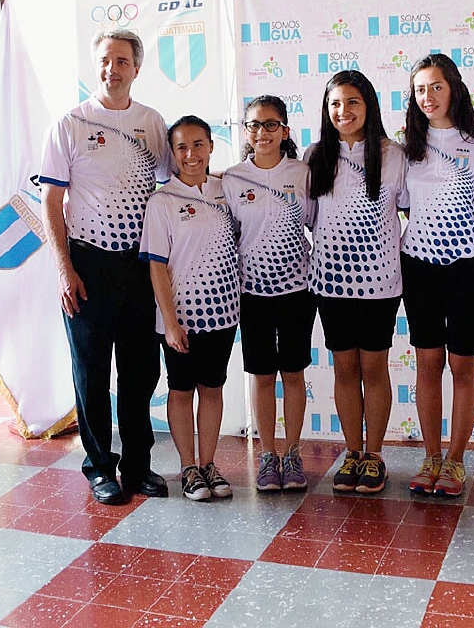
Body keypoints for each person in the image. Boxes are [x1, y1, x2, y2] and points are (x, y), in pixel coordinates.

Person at [40, 29, 169, 505]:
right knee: (91, 372)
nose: (111, 69)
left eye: (121, 61)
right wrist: (64, 270)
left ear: (136, 68)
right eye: (104, 60)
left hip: (139, 266)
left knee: (140, 372)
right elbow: (50, 201)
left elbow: (173, 183)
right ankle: (99, 467)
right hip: (87, 264)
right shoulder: (70, 123)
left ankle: (137, 465)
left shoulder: (151, 123)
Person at [399, 54, 474, 498]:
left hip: (469, 265)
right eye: (420, 89)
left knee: (462, 365)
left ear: (454, 87)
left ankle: (456, 460)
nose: (428, 97)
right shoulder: (408, 145)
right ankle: (431, 457)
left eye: (436, 87)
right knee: (427, 363)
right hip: (419, 265)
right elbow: (403, 204)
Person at [307, 70, 406, 494]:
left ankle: (375, 455)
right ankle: (352, 452)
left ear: (368, 106)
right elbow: (309, 217)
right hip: (330, 280)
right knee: (344, 368)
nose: (343, 111)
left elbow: (408, 207)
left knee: (374, 367)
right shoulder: (315, 155)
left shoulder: (392, 154)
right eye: (335, 104)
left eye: (352, 102)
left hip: (379, 280)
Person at [142, 116, 240, 502]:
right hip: (180, 316)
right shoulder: (162, 201)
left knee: (212, 389)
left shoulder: (225, 191)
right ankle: (188, 468)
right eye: (181, 147)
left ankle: (209, 463)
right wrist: (170, 322)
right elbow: (156, 266)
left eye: (198, 144)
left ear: (211, 146)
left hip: (223, 313)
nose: (190, 154)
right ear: (172, 153)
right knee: (181, 390)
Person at [223, 96, 316, 492]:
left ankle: (292, 454)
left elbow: (315, 223)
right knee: (262, 376)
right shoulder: (232, 179)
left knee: (293, 373)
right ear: (246, 131)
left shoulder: (302, 173)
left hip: (298, 290)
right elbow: (229, 233)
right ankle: (268, 455)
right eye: (254, 125)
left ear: (285, 130)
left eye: (270, 124)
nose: (262, 132)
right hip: (252, 292)